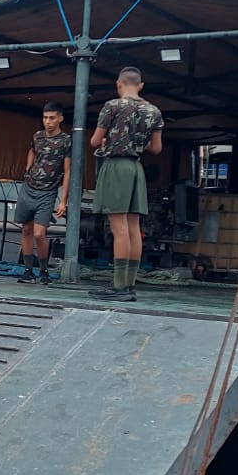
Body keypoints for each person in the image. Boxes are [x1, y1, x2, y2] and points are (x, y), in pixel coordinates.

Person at [88, 67, 163, 302]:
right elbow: (157, 148)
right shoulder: (154, 111)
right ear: (140, 85)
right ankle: (129, 285)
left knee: (118, 228)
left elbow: (94, 141)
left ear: (118, 84)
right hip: (136, 168)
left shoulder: (112, 106)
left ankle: (119, 287)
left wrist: (110, 141)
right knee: (133, 228)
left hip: (116, 166)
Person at [12, 101, 74, 285]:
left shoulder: (66, 140)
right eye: (45, 118)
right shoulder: (38, 136)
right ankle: (28, 270)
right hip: (29, 187)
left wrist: (63, 200)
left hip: (48, 191)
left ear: (60, 118)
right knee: (26, 229)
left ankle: (44, 270)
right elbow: (32, 150)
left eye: (52, 118)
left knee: (40, 233)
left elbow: (68, 170)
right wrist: (28, 166)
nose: (48, 121)